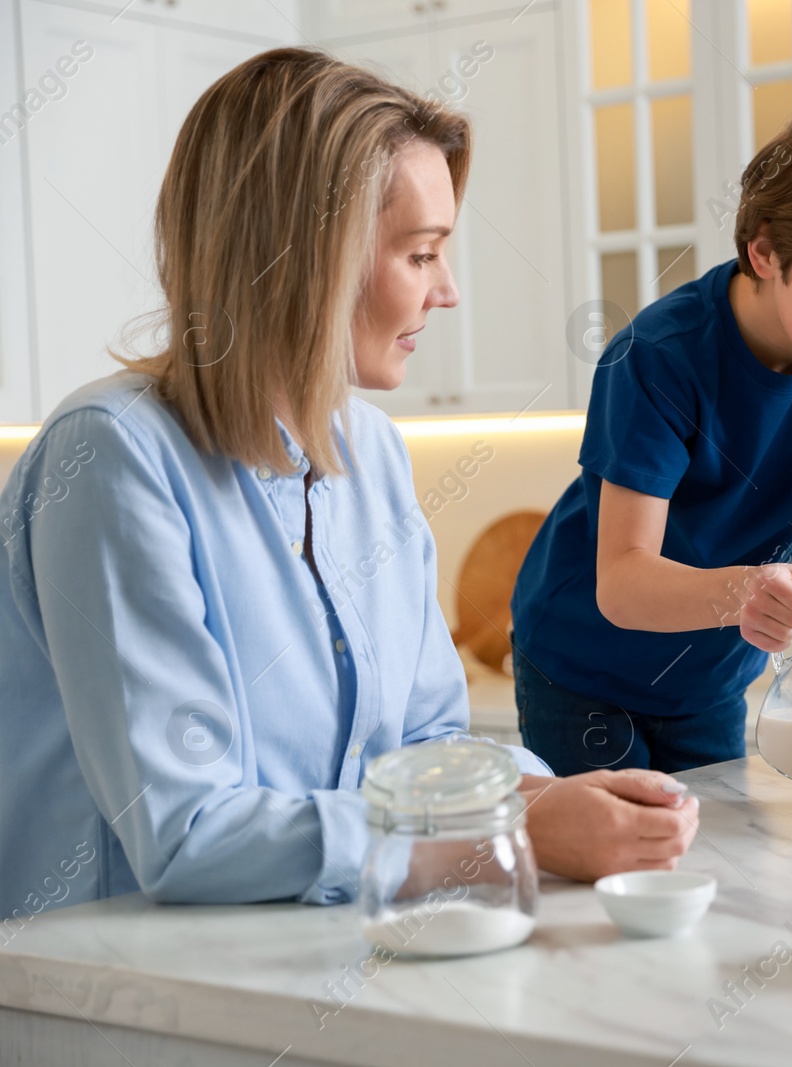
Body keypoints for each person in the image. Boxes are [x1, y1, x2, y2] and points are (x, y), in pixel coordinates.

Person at [0, 48, 695, 920]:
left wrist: (546, 797)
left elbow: (428, 739)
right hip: (108, 998)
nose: (447, 292)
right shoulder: (111, 458)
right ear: (306, 259)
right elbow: (188, 833)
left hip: (294, 955)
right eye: (421, 254)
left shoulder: (369, 452)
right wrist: (499, 840)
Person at [509, 89, 792, 776]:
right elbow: (622, 581)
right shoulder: (659, 357)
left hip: (710, 677)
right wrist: (743, 593)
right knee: (614, 866)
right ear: (765, 253)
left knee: (720, 870)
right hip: (581, 668)